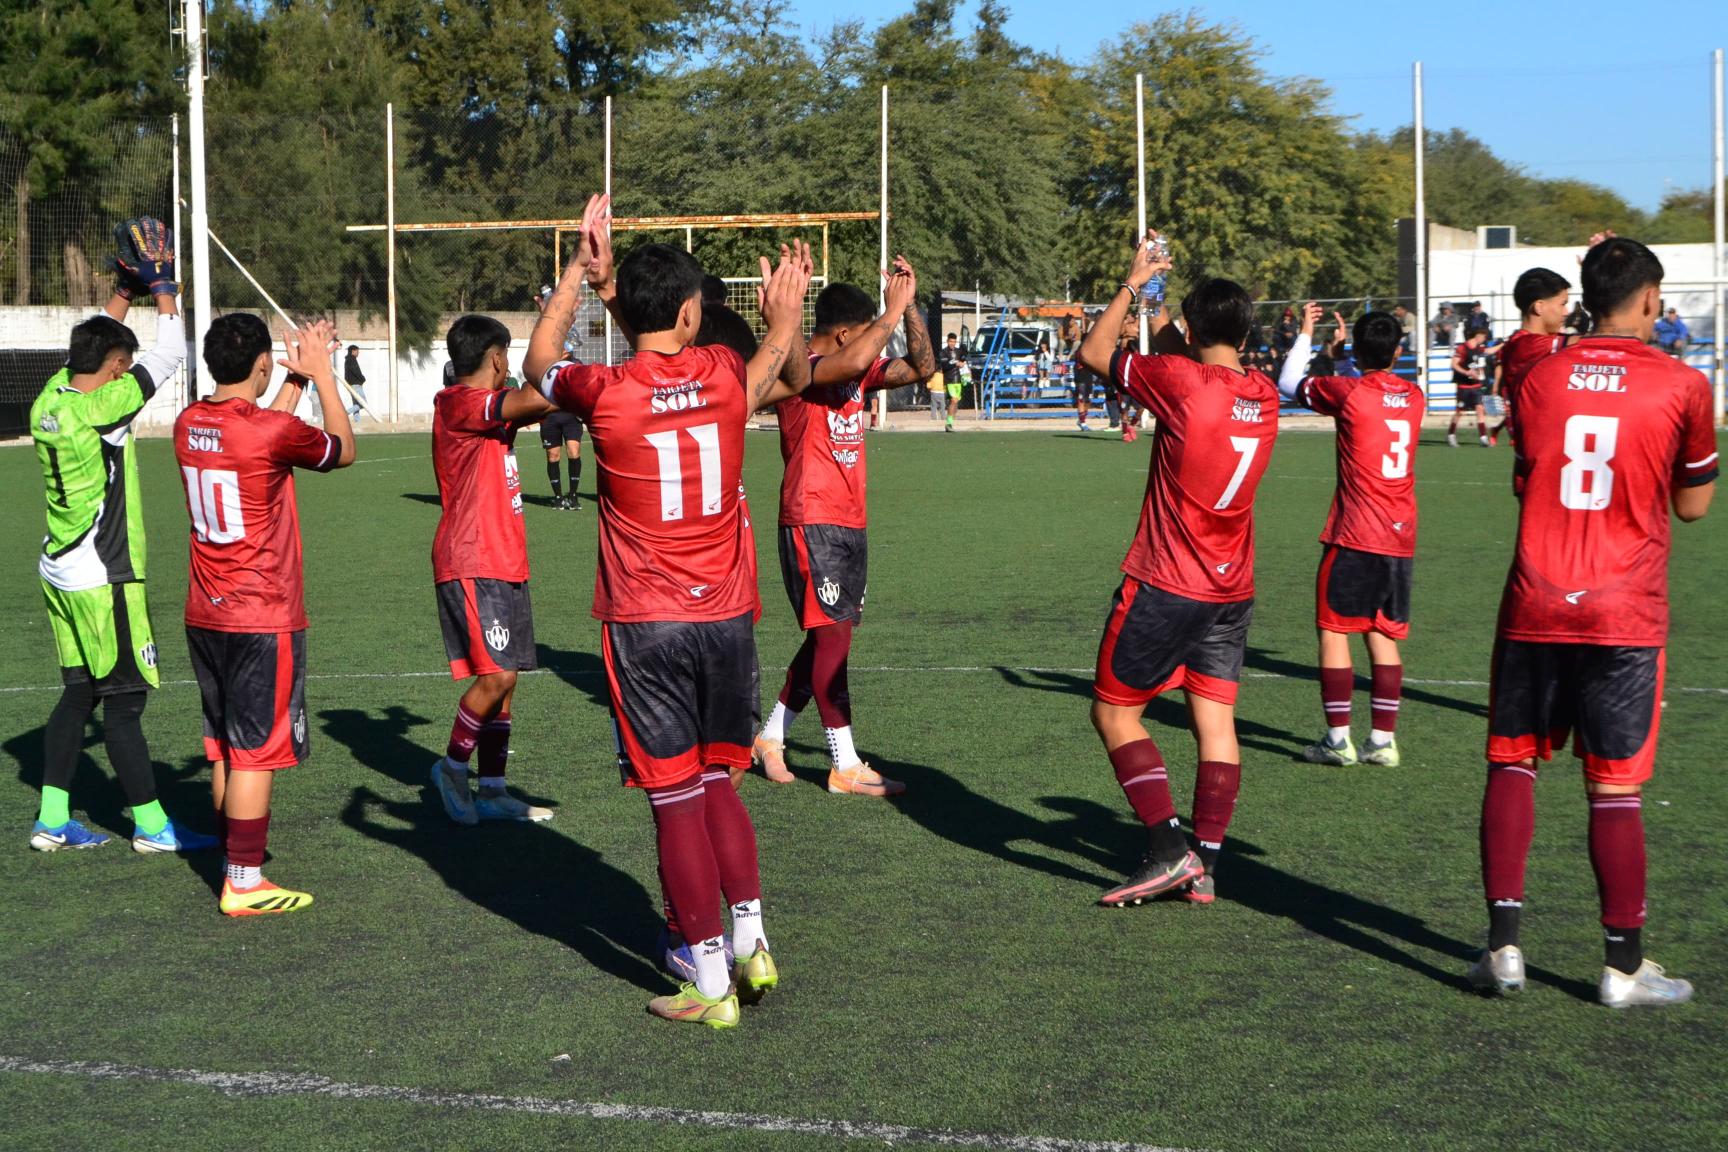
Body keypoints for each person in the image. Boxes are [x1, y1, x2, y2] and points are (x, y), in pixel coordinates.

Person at [526, 194, 815, 1028]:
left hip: (645, 622)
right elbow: (772, 370)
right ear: (692, 314)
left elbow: (539, 358)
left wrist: (582, 274)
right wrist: (784, 315)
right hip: (727, 619)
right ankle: (753, 941)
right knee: (720, 779)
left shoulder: (603, 391)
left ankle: (711, 981)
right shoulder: (726, 376)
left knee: (673, 796)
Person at [1470, 237, 1716, 1007]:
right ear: (1648, 299)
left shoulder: (1540, 375)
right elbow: (1694, 504)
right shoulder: (1683, 382)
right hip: (1624, 609)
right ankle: (1623, 966)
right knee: (1614, 791)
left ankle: (1504, 949)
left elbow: (1527, 479)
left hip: (1537, 598)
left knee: (1511, 764)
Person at [1075, 230, 1280, 908]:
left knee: (1115, 714)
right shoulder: (1264, 394)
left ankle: (1168, 852)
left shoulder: (1182, 381)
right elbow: (1191, 362)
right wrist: (1165, 307)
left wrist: (1135, 286)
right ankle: (1208, 866)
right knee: (1215, 723)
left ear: (1191, 329)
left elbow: (1094, 353)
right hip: (1233, 588)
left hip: (1167, 582)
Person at [28, 218, 215, 855]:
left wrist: (123, 293)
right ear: (113, 370)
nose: (126, 373)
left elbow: (94, 348)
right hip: (101, 575)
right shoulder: (104, 407)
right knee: (126, 704)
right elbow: (171, 356)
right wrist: (163, 289)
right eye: (121, 367)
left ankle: (52, 818)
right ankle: (154, 829)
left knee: (78, 693)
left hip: (58, 567)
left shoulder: (52, 396)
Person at [174, 314, 357, 915]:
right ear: (260, 365)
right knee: (255, 749)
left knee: (228, 743)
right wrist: (323, 376)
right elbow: (342, 449)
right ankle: (244, 881)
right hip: (261, 614)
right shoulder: (269, 432)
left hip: (207, 611)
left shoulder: (188, 422)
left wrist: (294, 380)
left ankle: (232, 856)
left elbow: (262, 428)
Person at [751, 258, 937, 796]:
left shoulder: (855, 365)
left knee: (831, 639)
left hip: (850, 521)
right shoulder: (802, 366)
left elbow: (921, 367)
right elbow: (857, 355)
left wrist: (911, 307)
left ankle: (772, 736)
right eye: (867, 335)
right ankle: (844, 762)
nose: (873, 350)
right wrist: (892, 310)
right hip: (813, 517)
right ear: (842, 333)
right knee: (831, 636)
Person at [1278, 303, 1424, 767]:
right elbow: (1372, 392)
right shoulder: (1416, 396)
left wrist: (1306, 334)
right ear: (1399, 351)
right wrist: (1347, 358)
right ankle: (1382, 741)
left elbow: (1287, 384)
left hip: (1356, 532)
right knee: (1382, 635)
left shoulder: (1349, 391)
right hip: (1400, 538)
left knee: (1334, 631)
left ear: (1357, 351)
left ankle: (1337, 740)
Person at [427, 315, 557, 828]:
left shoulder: (487, 409)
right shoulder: (460, 402)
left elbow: (546, 401)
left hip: (503, 557)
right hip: (472, 558)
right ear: (498, 358)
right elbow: (542, 397)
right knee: (495, 673)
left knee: (509, 680)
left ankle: (494, 788)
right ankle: (452, 768)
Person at [1490, 267, 1573, 448]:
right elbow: (1590, 341)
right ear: (1539, 306)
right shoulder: (1523, 345)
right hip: (1540, 463)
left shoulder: (1547, 341)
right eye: (1562, 303)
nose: (1566, 311)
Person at [1447, 327, 1492, 447]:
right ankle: (1451, 434)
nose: (1484, 339)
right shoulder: (1463, 348)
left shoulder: (1480, 348)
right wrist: (1466, 372)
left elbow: (1488, 351)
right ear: (1477, 335)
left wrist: (1503, 345)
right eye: (1483, 336)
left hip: (1476, 385)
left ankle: (1483, 438)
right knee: (1459, 412)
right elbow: (1454, 364)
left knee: (1480, 410)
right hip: (1463, 386)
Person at [936, 331, 964, 431]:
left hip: (958, 380)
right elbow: (945, 366)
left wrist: (963, 363)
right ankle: (948, 424)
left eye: (954, 341)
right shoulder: (943, 352)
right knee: (954, 400)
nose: (952, 343)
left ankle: (950, 423)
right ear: (947, 341)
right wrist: (956, 363)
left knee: (955, 402)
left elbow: (963, 360)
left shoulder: (959, 351)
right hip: (949, 380)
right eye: (951, 341)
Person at [342, 344, 368, 417]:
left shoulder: (348, 360)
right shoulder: (351, 359)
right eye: (357, 351)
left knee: (356, 404)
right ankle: (346, 412)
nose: (358, 353)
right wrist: (363, 379)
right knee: (364, 404)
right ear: (353, 351)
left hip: (351, 384)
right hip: (355, 385)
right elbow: (356, 371)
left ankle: (357, 420)